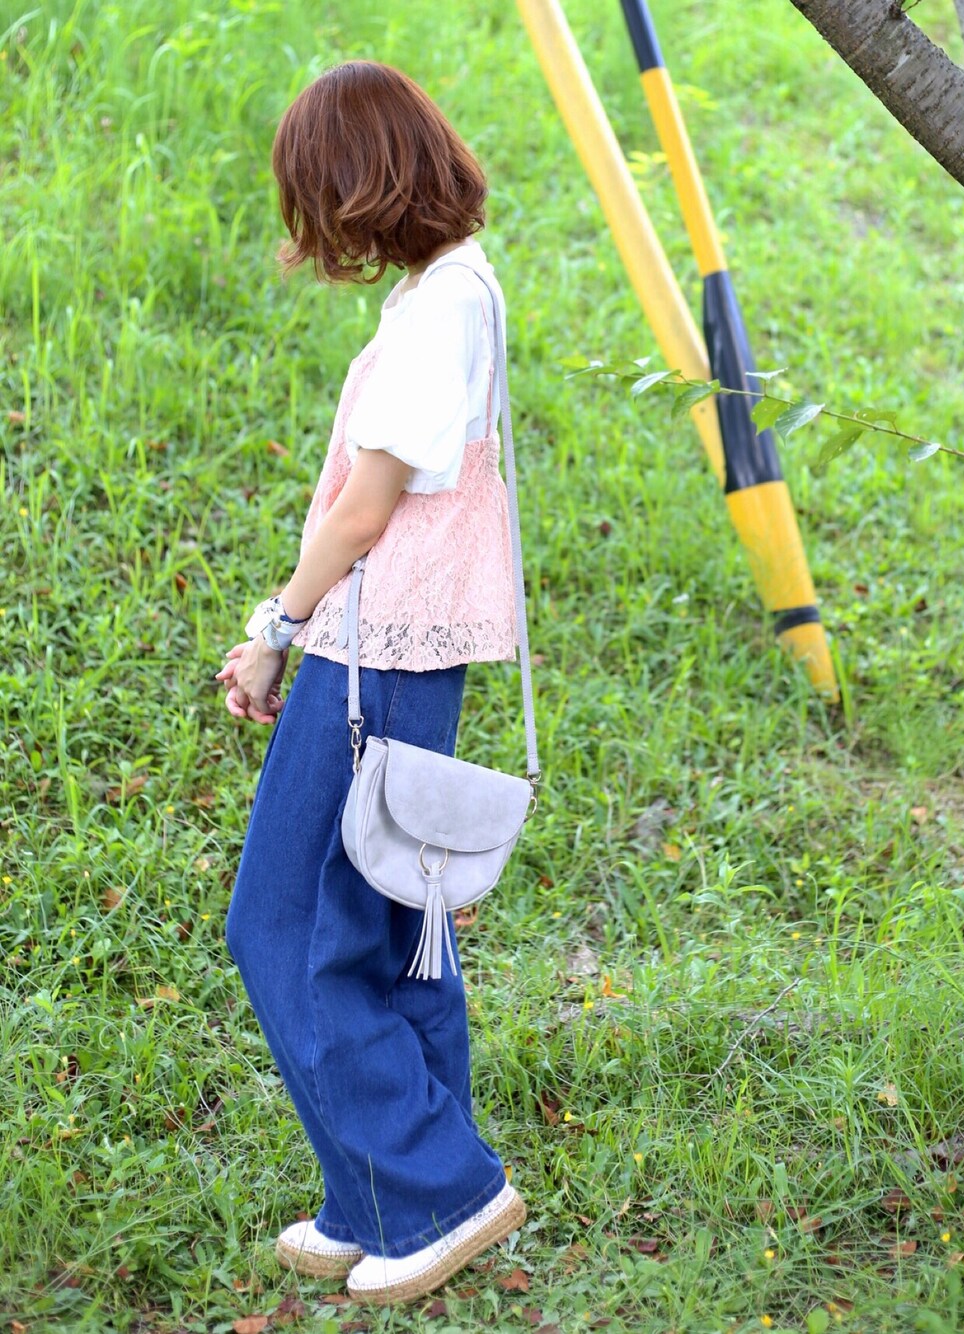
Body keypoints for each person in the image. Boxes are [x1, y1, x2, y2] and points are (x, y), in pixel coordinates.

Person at [215, 61, 526, 1306]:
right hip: (409, 659)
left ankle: (439, 1186)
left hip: (367, 655)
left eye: (317, 202)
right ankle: (377, 1192)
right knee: (396, 934)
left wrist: (273, 630)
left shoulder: (430, 317)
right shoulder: (462, 286)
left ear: (357, 190)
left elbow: (358, 513)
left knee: (287, 929)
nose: (317, 232)